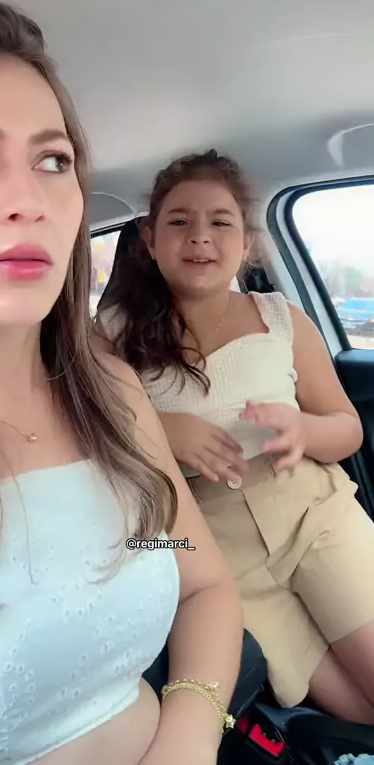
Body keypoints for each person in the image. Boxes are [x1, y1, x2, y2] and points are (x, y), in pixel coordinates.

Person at [0, 4, 243, 765]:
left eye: (53, 161)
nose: (30, 200)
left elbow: (200, 580)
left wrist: (190, 736)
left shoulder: (111, 394)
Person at [94, 148, 374, 725]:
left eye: (220, 222)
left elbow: (346, 429)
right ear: (150, 241)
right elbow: (82, 435)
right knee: (354, 713)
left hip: (312, 516)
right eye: (179, 220)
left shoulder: (281, 319)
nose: (200, 235)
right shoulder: (112, 332)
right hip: (212, 550)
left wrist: (304, 429)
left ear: (246, 243)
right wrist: (160, 430)